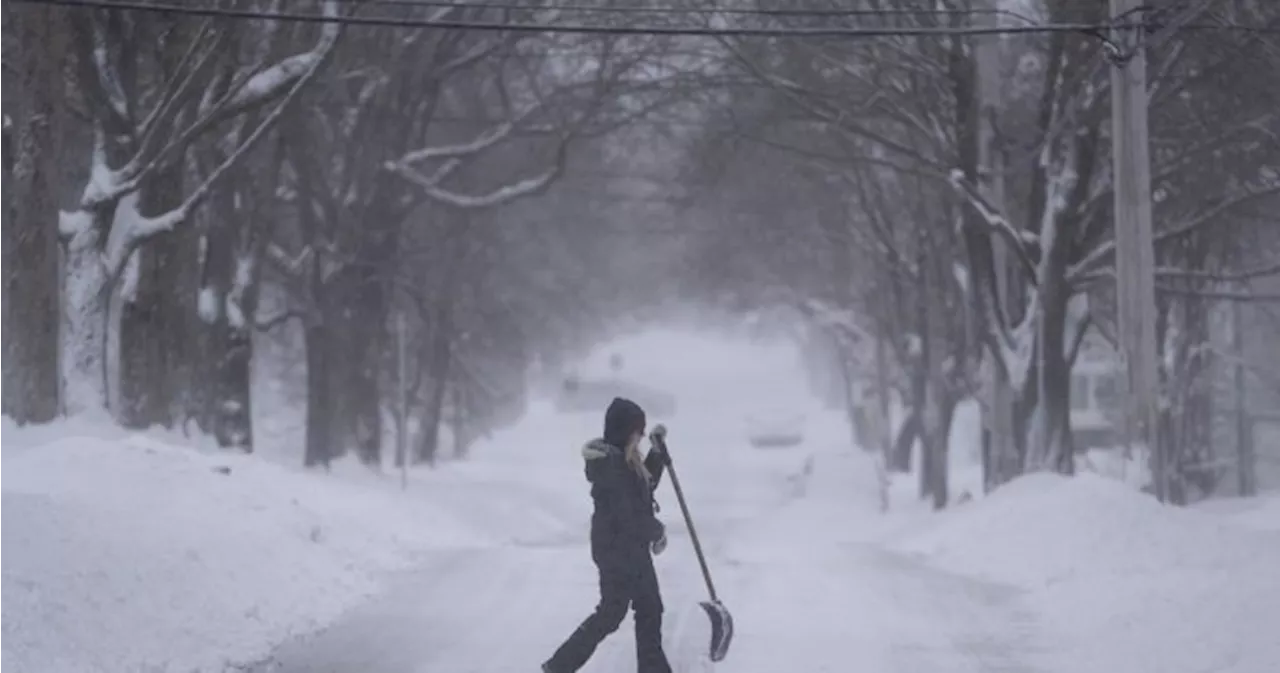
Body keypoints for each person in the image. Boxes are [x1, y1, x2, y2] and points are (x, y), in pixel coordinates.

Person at [543, 397, 672, 673]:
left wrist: (657, 453)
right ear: (624, 431)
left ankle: (559, 666)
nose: (640, 436)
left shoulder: (622, 462)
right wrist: (656, 529)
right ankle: (559, 666)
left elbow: (643, 487)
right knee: (618, 612)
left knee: (641, 610)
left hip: (626, 549)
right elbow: (629, 516)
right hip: (618, 551)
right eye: (637, 430)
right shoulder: (612, 469)